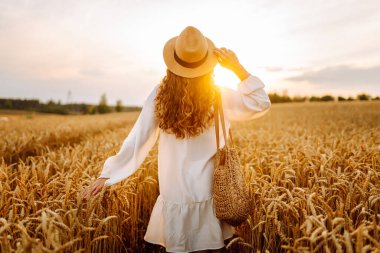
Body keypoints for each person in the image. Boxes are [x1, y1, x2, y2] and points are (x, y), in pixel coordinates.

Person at [82, 26, 271, 253]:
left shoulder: (160, 95)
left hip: (175, 192)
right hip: (209, 192)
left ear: (174, 62)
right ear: (207, 63)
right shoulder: (219, 95)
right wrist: (236, 68)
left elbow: (139, 138)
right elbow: (261, 102)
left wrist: (109, 174)